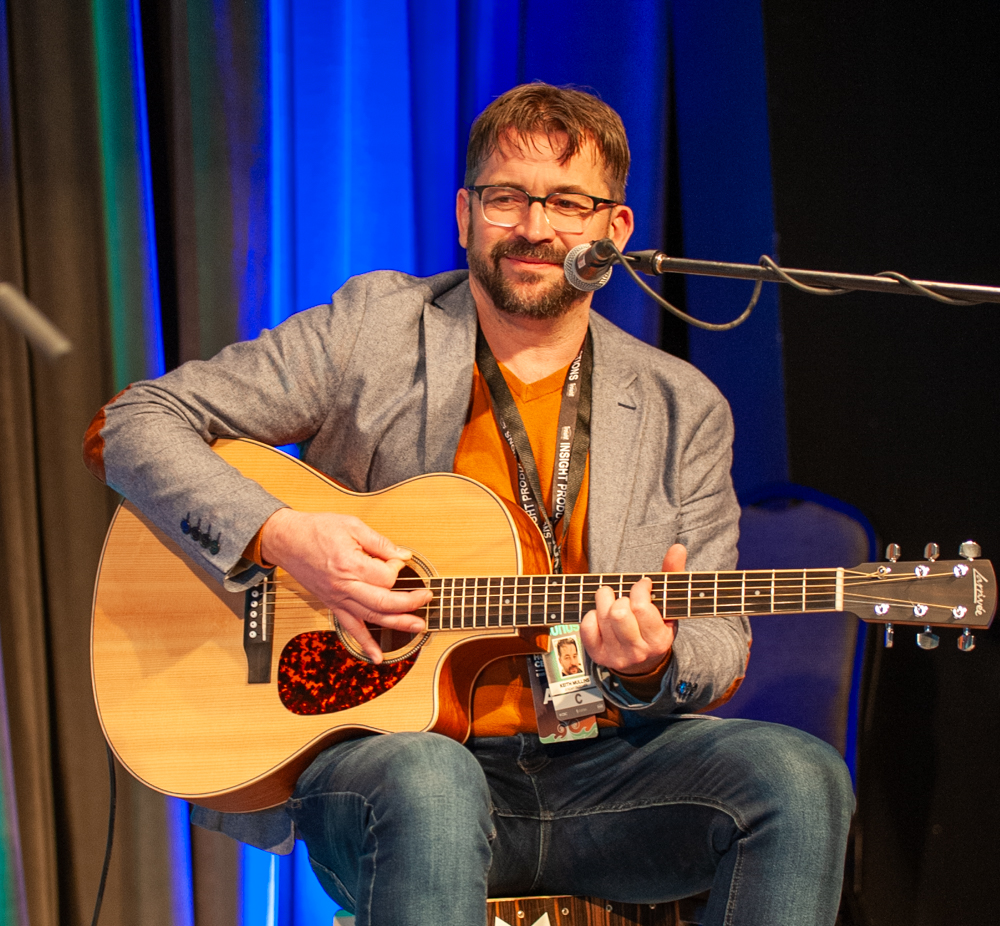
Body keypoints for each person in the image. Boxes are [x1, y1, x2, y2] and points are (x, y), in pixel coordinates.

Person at [84, 83, 853, 926]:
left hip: (601, 770)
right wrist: (284, 536)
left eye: (568, 202)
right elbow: (135, 424)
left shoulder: (683, 405)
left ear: (616, 231)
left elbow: (717, 640)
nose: (534, 227)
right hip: (387, 765)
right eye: (505, 198)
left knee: (799, 779)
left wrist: (649, 664)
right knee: (431, 777)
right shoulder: (373, 328)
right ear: (464, 213)